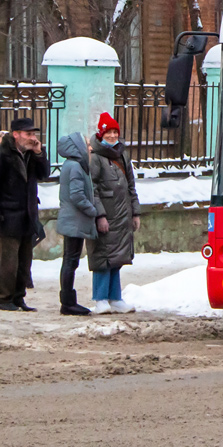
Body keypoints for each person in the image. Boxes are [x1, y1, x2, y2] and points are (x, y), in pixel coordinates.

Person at [88, 113, 140, 314]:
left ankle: (115, 298)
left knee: (117, 258)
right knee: (103, 257)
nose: (112, 135)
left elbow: (131, 186)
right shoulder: (96, 158)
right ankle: (100, 298)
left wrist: (135, 213)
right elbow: (92, 189)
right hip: (106, 218)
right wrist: (99, 215)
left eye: (114, 131)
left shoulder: (122, 155)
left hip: (122, 216)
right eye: (108, 132)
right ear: (101, 134)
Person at [0, 117, 51, 312]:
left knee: (24, 260)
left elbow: (44, 174)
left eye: (34, 134)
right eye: (28, 134)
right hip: (8, 215)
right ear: (16, 135)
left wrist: (39, 153)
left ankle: (19, 297)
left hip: (27, 214)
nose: (32, 137)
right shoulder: (4, 153)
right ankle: (4, 298)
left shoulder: (31, 153)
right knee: (8, 261)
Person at [56, 132, 98, 316]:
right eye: (86, 144)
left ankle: (68, 300)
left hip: (73, 220)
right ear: (77, 146)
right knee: (70, 261)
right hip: (74, 221)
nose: (90, 148)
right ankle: (67, 302)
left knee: (70, 261)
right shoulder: (74, 166)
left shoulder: (73, 165)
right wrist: (93, 211)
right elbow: (77, 195)